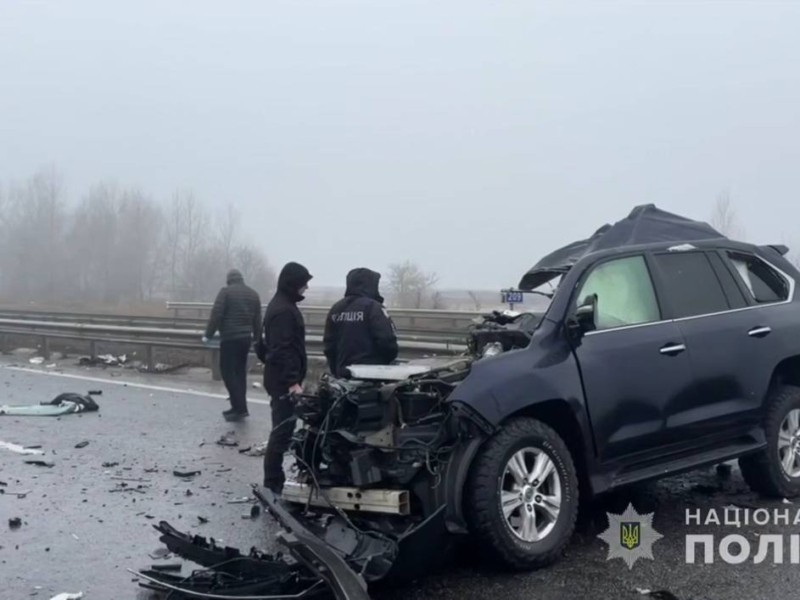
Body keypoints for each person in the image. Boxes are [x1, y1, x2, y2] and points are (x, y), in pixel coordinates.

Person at [257, 261, 313, 494]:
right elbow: (282, 349)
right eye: (303, 284)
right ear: (293, 284)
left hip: (278, 376)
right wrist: (292, 382)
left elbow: (264, 346)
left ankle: (275, 479)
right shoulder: (283, 311)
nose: (306, 289)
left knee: (284, 429)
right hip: (283, 381)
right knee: (281, 431)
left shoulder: (281, 305)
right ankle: (272, 483)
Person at [203, 269, 262, 422]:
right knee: (239, 374)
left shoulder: (225, 292)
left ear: (229, 280)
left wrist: (208, 334)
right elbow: (257, 319)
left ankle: (240, 409)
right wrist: (257, 338)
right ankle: (237, 407)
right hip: (245, 339)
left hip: (230, 338)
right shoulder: (253, 294)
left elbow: (216, 314)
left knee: (228, 372)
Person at [323, 268, 398, 377]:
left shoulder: (336, 308)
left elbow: (329, 345)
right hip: (371, 375)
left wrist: (336, 369)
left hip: (342, 373)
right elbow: (387, 341)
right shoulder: (373, 307)